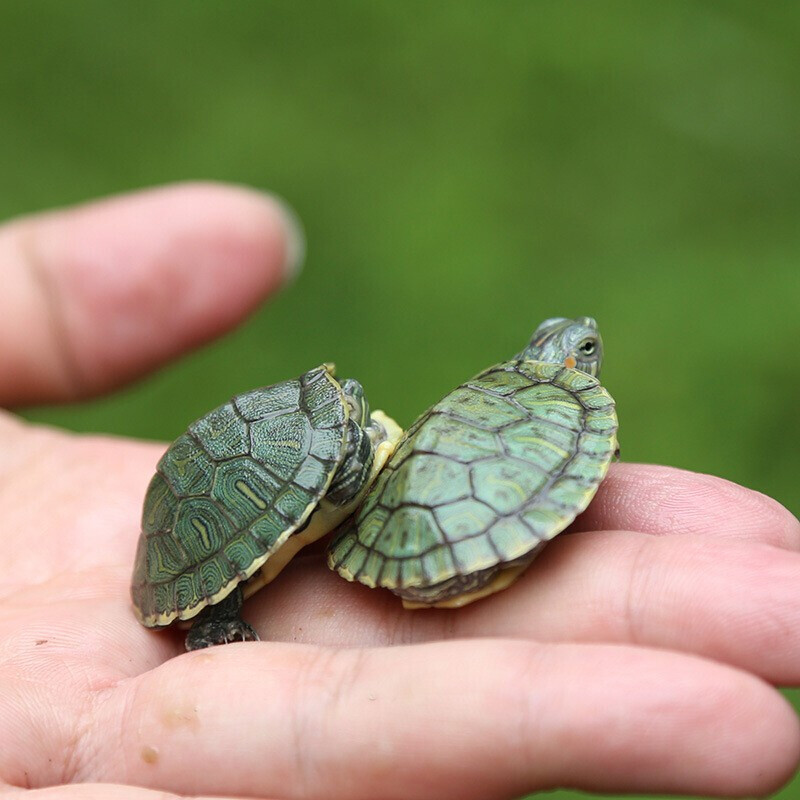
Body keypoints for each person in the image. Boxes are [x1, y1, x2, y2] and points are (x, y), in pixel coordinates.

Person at [0, 183, 797, 800]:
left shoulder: (364, 439)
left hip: (292, 465)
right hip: (214, 511)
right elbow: (326, 480)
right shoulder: (338, 456)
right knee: (223, 612)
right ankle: (214, 619)